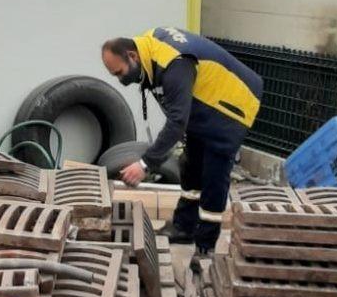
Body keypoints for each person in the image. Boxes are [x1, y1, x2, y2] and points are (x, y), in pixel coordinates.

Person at [101, 26, 263, 266]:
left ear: (131, 56)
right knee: (190, 165)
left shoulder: (174, 64)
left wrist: (146, 164)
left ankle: (205, 246)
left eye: (120, 72)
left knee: (213, 175)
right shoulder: (148, 48)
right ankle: (184, 228)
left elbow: (177, 121)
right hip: (206, 100)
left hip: (231, 105)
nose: (121, 80)